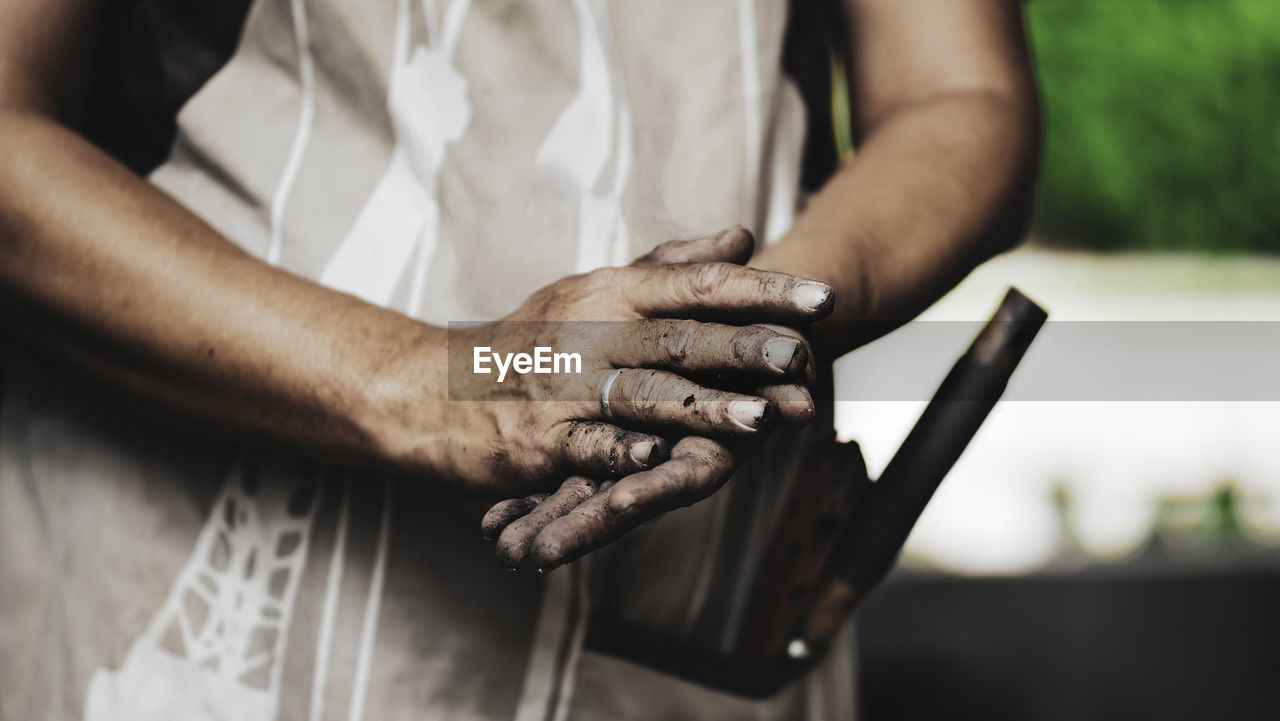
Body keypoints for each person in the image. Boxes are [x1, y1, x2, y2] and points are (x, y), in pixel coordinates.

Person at [0, 0, 1040, 719]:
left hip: (690, 610)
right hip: (206, 578)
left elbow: (959, 96)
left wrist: (737, 328)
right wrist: (442, 379)